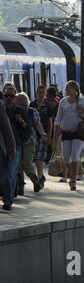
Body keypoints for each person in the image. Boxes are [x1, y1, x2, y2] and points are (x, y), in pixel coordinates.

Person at [54, 80, 84, 191]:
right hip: (66, 131)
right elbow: (58, 118)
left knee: (74, 155)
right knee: (65, 157)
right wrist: (56, 132)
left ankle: (73, 180)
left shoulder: (82, 100)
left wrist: (82, 110)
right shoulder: (63, 102)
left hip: (78, 132)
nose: (67, 90)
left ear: (75, 89)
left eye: (69, 88)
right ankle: (73, 174)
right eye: (66, 88)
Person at [15, 92, 48, 194]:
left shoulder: (32, 111)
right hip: (18, 141)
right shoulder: (14, 111)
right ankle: (20, 185)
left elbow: (38, 123)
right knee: (19, 164)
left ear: (19, 101)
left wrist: (42, 133)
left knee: (27, 164)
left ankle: (36, 180)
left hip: (30, 141)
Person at [1, 83, 24, 211]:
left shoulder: (19, 111)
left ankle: (8, 200)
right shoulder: (1, 108)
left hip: (15, 146)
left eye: (11, 96)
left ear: (15, 97)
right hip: (1, 147)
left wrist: (22, 122)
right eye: (6, 95)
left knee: (10, 173)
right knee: (3, 173)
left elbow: (27, 129)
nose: (8, 98)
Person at [30, 84, 53, 189]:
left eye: (43, 93)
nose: (41, 95)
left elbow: (50, 122)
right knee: (33, 158)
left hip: (43, 135)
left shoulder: (48, 106)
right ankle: (40, 176)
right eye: (39, 92)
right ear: (36, 93)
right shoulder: (32, 104)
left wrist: (49, 135)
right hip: (32, 135)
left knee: (39, 158)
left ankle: (39, 178)